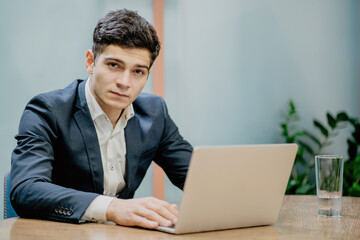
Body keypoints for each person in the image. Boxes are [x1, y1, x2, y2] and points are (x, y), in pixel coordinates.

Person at [10, 9, 192, 229]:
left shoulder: (154, 113)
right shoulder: (47, 111)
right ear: (90, 62)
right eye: (114, 65)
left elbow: (196, 178)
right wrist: (113, 207)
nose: (124, 82)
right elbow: (26, 189)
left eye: (138, 71)